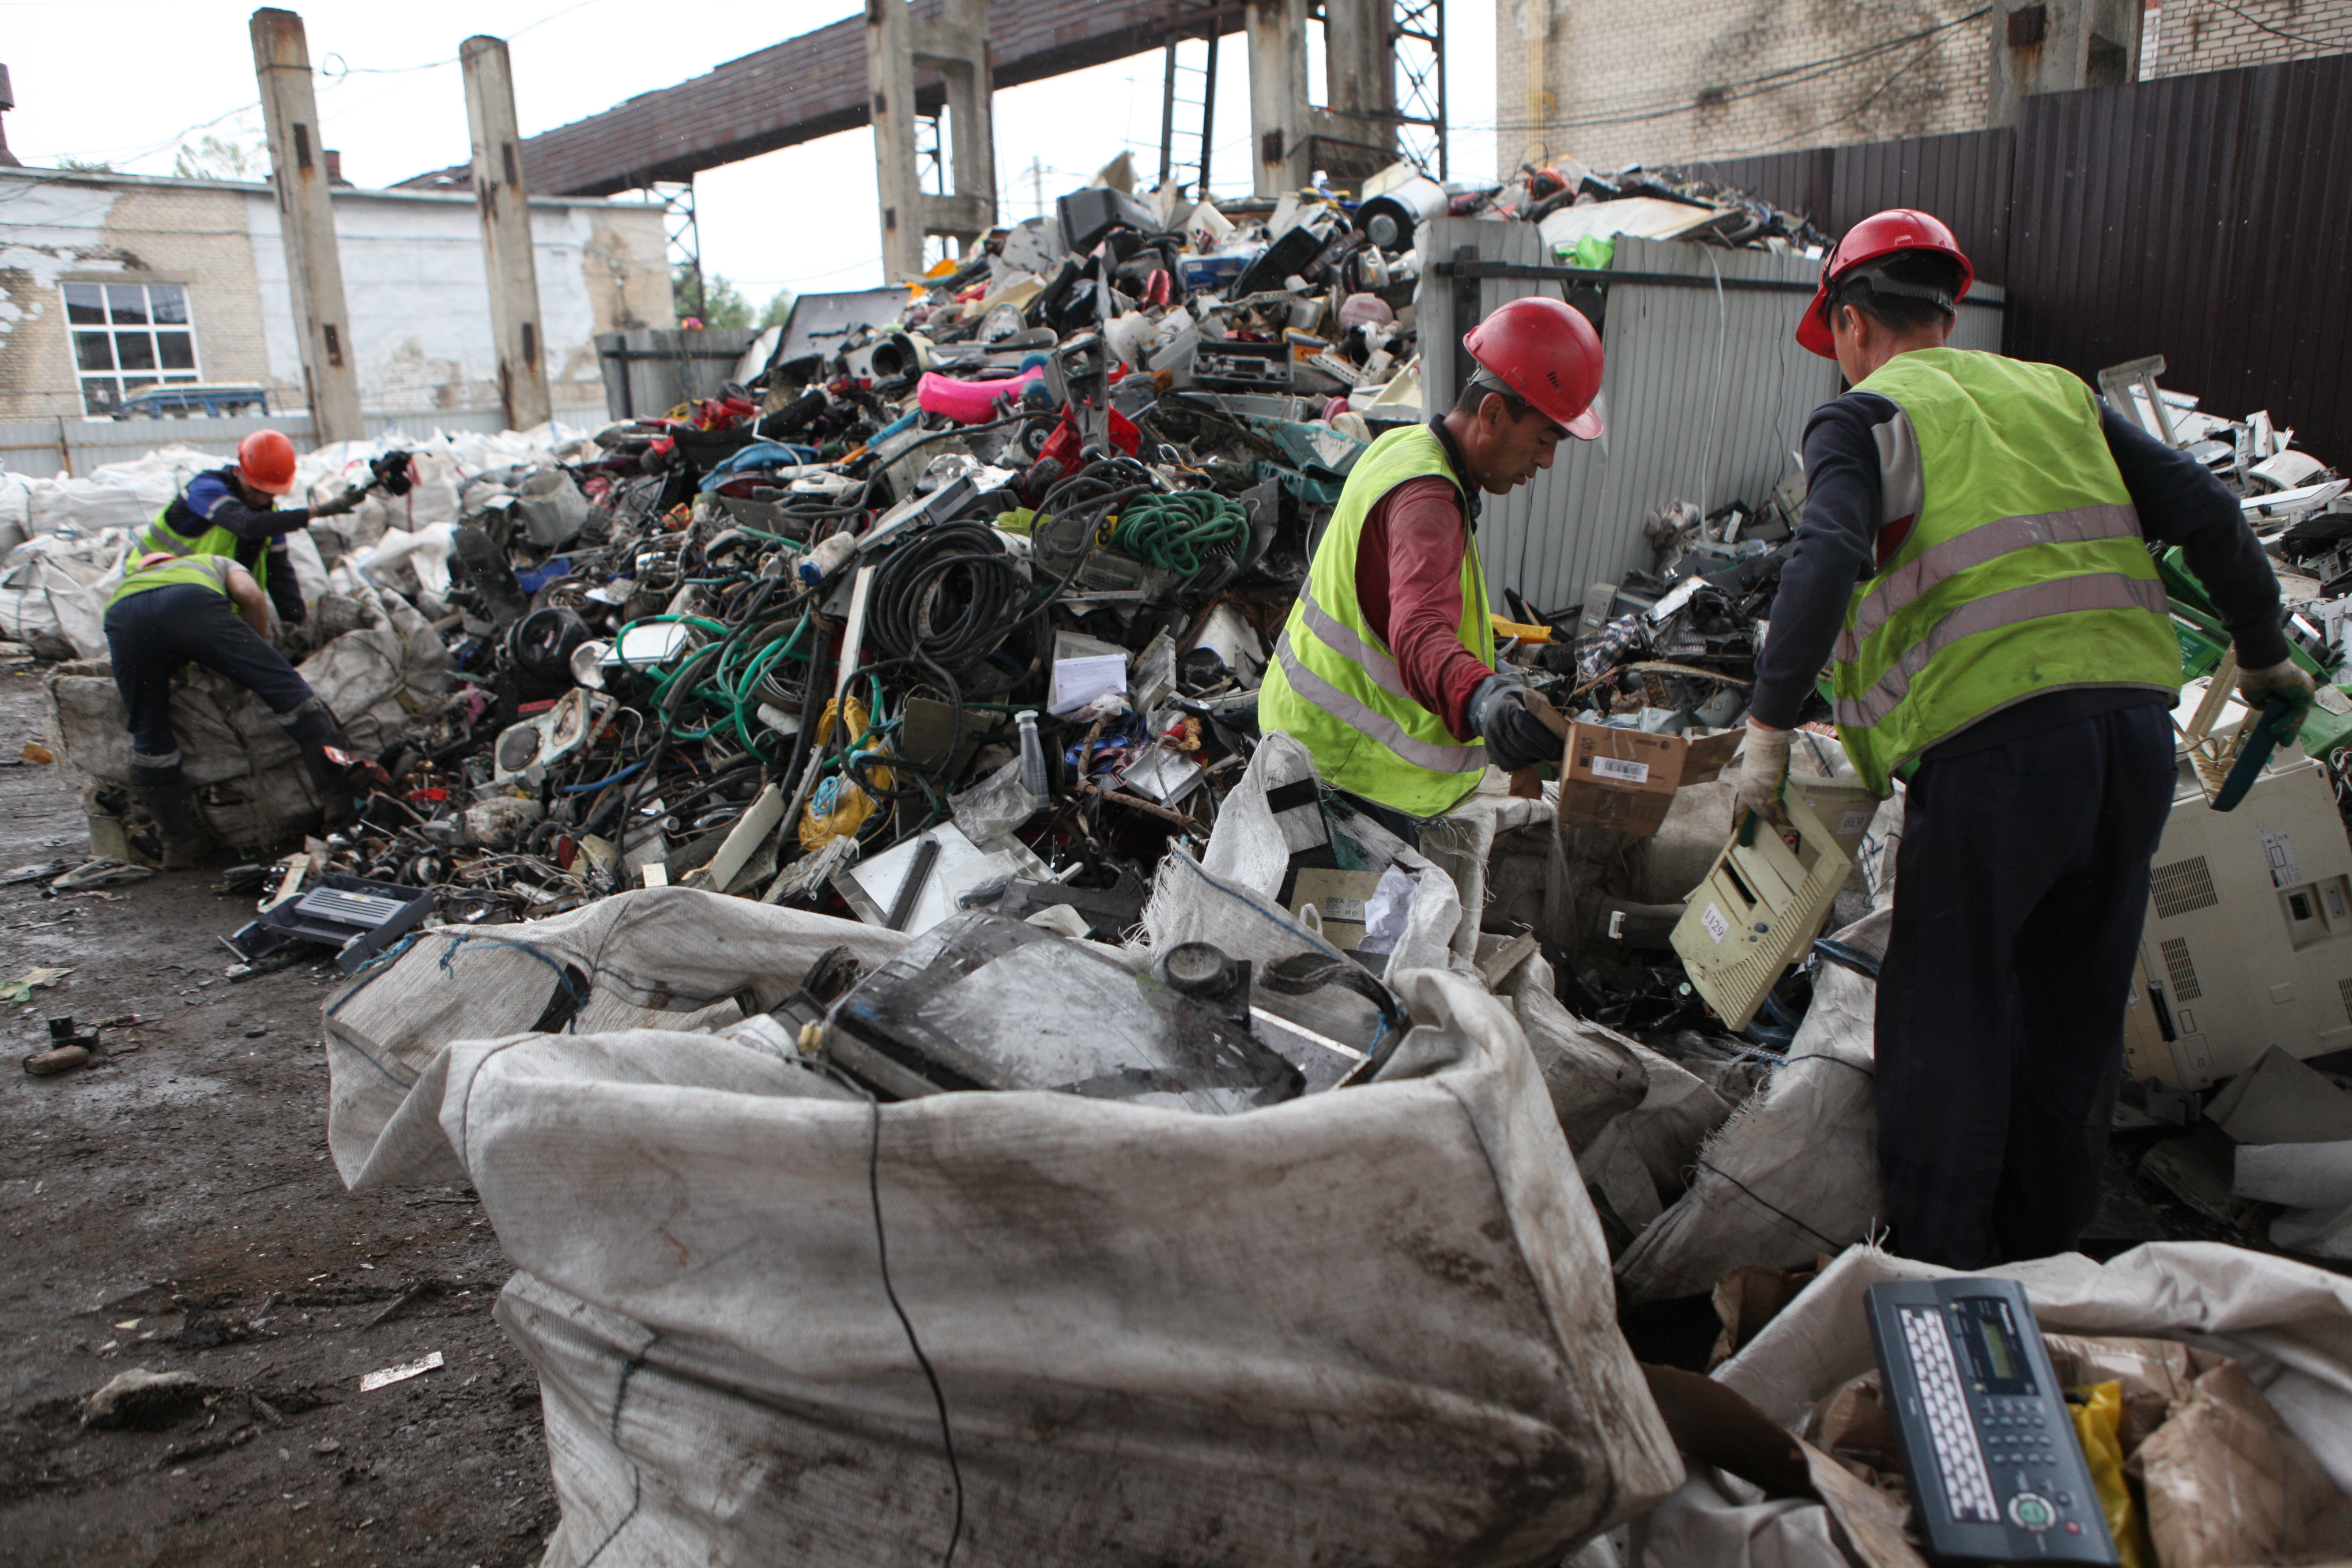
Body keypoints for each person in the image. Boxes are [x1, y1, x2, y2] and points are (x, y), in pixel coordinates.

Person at [1737, 208, 2309, 1269]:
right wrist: (2267, 650)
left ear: (1853, 323)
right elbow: (2208, 512)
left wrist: (1769, 726)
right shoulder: (2060, 396)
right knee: (2074, 1012)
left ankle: (1937, 1271)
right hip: (2135, 737)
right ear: (1948, 314)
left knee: (1947, 1011)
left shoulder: (1864, 418)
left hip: (1996, 751)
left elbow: (1822, 559)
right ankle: (2047, 1265)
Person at [1257, 295, 1605, 842]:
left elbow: (1389, 596)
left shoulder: (1405, 446)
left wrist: (1494, 678)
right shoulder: (1429, 502)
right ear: (1492, 414)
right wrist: (1482, 698)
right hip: (1349, 778)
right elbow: (1419, 632)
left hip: (1305, 740)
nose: (1546, 462)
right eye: (1544, 439)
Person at [103, 550, 355, 867]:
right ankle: (339, 806)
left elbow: (160, 646)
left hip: (125, 622)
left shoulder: (127, 588)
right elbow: (250, 595)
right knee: (293, 697)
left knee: (149, 732)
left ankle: (178, 843)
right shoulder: (211, 561)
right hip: (191, 604)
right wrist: (256, 655)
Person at [138, 429, 365, 631]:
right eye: (256, 489)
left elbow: (280, 574)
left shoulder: (268, 517)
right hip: (155, 585)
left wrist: (297, 625)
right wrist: (316, 512)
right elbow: (246, 525)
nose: (261, 498)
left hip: (206, 602)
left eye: (270, 493)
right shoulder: (205, 489)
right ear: (238, 471)